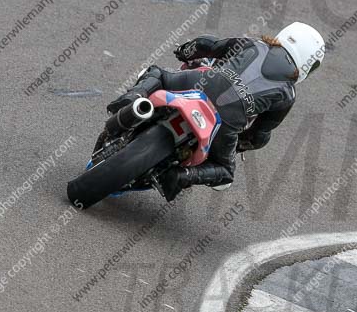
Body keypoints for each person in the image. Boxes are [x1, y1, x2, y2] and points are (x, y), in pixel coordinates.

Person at [107, 22, 325, 201]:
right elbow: (260, 134)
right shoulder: (288, 94)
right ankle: (182, 176)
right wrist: (241, 144)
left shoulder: (254, 45)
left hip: (201, 83)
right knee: (225, 172)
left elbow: (207, 44)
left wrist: (184, 51)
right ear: (309, 63)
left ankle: (133, 99)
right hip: (228, 121)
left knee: (158, 74)